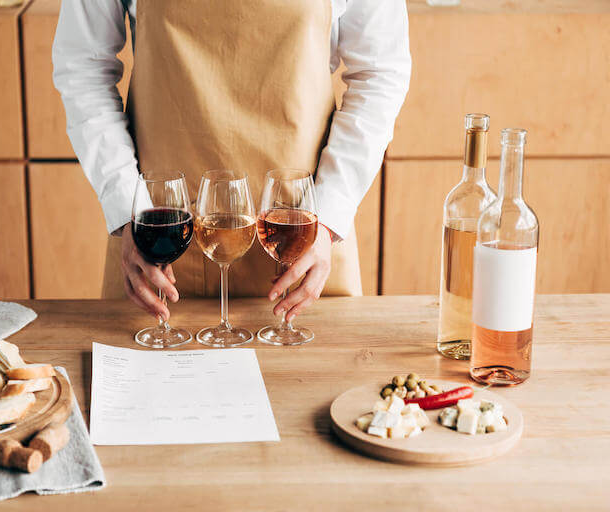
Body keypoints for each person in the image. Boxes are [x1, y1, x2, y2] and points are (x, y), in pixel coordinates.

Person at [53, 0, 410, 322]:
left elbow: (379, 72)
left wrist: (330, 213)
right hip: (158, 242)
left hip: (302, 237)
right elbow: (82, 66)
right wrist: (124, 203)